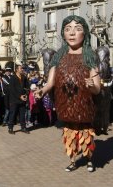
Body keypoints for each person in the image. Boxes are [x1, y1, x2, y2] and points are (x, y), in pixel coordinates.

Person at [35, 15, 101, 173]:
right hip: (66, 104)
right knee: (69, 134)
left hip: (84, 104)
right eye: (67, 29)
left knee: (86, 134)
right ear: (63, 34)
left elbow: (97, 89)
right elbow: (50, 83)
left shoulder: (90, 56)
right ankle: (73, 161)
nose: (72, 33)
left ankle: (89, 159)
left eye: (77, 29)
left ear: (84, 33)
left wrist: (91, 85)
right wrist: (42, 91)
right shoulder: (58, 57)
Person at [7, 65, 30, 134]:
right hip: (14, 100)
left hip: (22, 100)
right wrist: (20, 96)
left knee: (22, 114)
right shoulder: (12, 78)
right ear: (16, 70)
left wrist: (26, 94)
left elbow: (27, 87)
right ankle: (10, 128)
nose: (22, 69)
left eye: (22, 68)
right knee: (13, 114)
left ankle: (23, 127)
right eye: (21, 68)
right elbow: (12, 90)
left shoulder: (24, 77)